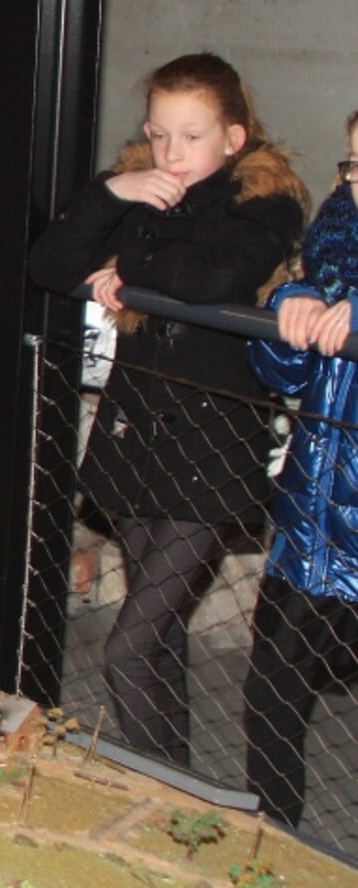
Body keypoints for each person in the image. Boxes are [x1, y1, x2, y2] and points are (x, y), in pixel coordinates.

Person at [29, 52, 307, 766]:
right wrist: (112, 190)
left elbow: (214, 274)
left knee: (129, 643)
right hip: (136, 433)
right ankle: (174, 782)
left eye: (190, 135)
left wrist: (129, 273)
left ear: (233, 139)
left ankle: (163, 793)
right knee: (157, 640)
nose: (170, 153)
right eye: (157, 135)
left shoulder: (265, 200)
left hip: (210, 445)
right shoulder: (140, 190)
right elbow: (50, 264)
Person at [241, 110, 358, 826]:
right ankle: (271, 848)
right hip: (314, 527)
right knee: (269, 694)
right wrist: (293, 303)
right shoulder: (334, 243)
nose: (353, 183)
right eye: (351, 163)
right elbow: (276, 370)